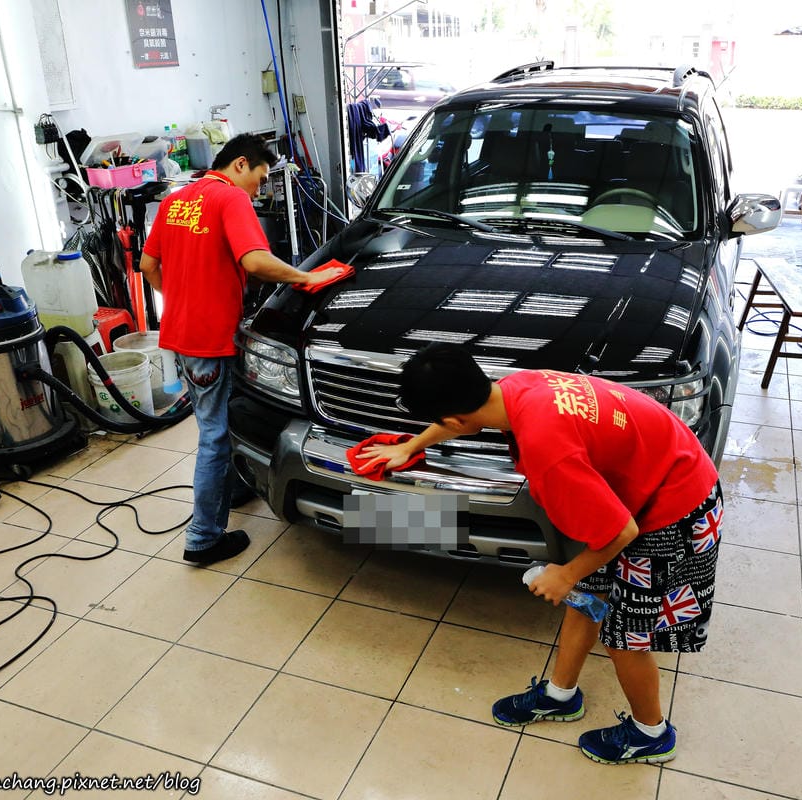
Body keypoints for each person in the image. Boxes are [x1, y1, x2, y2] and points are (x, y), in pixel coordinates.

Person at [361, 344, 722, 765]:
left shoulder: (546, 448)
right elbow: (460, 419)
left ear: (456, 417)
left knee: (625, 636)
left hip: (675, 507)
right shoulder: (514, 387)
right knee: (588, 601)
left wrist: (566, 574)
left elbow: (623, 531)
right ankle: (561, 696)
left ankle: (651, 734)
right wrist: (411, 446)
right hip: (643, 480)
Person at [140, 134, 344, 565]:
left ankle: (231, 489)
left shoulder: (177, 199)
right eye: (260, 177)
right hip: (209, 339)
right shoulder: (230, 199)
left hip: (180, 334)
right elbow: (255, 261)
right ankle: (203, 538)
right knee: (213, 437)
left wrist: (180, 300)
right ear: (239, 165)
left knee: (218, 419)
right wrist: (305, 278)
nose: (261, 188)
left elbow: (148, 265)